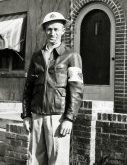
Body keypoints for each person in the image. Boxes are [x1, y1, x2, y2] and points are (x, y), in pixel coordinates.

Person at [21, 12, 84, 165]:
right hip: (36, 116)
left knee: (57, 160)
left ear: (63, 31)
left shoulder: (71, 56)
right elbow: (28, 87)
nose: (52, 33)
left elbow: (76, 90)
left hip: (58, 117)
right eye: (49, 29)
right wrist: (26, 115)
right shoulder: (36, 57)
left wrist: (69, 118)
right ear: (45, 31)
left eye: (56, 29)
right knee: (34, 160)